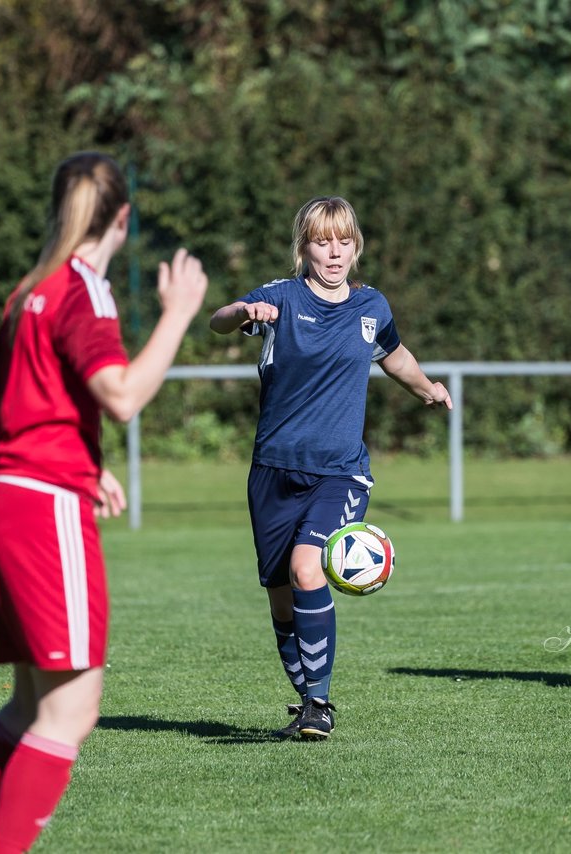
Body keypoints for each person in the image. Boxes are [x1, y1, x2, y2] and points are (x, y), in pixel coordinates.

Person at [0, 151, 208, 853]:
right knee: (71, 712)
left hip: (1, 495)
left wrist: (77, 462)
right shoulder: (84, 290)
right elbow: (120, 397)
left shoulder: (31, 288)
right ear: (123, 216)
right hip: (39, 508)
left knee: (31, 708)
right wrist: (177, 315)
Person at [209, 196, 452, 740]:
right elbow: (217, 321)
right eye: (323, 241)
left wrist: (426, 389)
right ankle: (305, 701)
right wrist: (243, 312)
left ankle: (319, 702)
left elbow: (396, 355)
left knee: (305, 568)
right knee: (279, 594)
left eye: (344, 241)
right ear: (304, 248)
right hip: (272, 470)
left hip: (340, 471)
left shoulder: (372, 307)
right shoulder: (278, 299)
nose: (335, 252)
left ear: (356, 246)